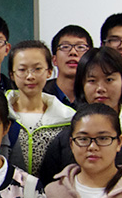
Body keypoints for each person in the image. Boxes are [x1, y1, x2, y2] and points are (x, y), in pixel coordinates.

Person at [38, 47, 122, 185]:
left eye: (109, 79)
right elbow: (49, 186)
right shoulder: (64, 138)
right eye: (92, 80)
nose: (100, 89)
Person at [4, 40, 75, 176]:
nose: (30, 76)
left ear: (49, 72)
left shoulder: (66, 118)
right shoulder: (0, 115)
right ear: (12, 74)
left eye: (37, 69)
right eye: (22, 70)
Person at [44, 25, 93, 108]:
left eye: (80, 47)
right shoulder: (40, 94)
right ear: (54, 60)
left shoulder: (96, 95)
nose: (73, 52)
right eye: (65, 47)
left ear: (90, 58)